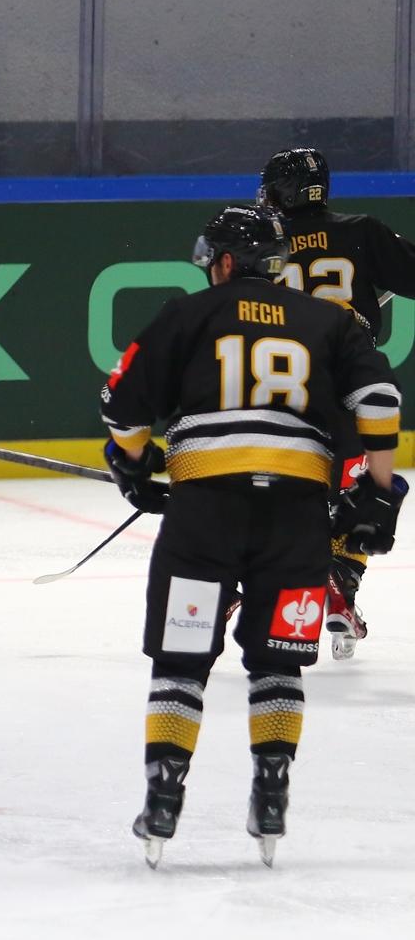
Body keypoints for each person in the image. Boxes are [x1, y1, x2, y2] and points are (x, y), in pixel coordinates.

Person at [100, 205, 403, 868]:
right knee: (277, 663)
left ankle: (163, 796)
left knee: (180, 663)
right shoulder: (331, 322)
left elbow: (122, 406)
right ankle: (271, 793)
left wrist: (133, 469)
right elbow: (379, 402)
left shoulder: (188, 316)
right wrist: (376, 493)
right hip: (296, 516)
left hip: (203, 512)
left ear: (228, 262)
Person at [257, 147, 415, 657]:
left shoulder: (262, 240)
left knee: (279, 479)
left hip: (281, 382)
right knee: (365, 490)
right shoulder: (361, 230)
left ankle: (249, 575)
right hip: (348, 378)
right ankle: (341, 582)